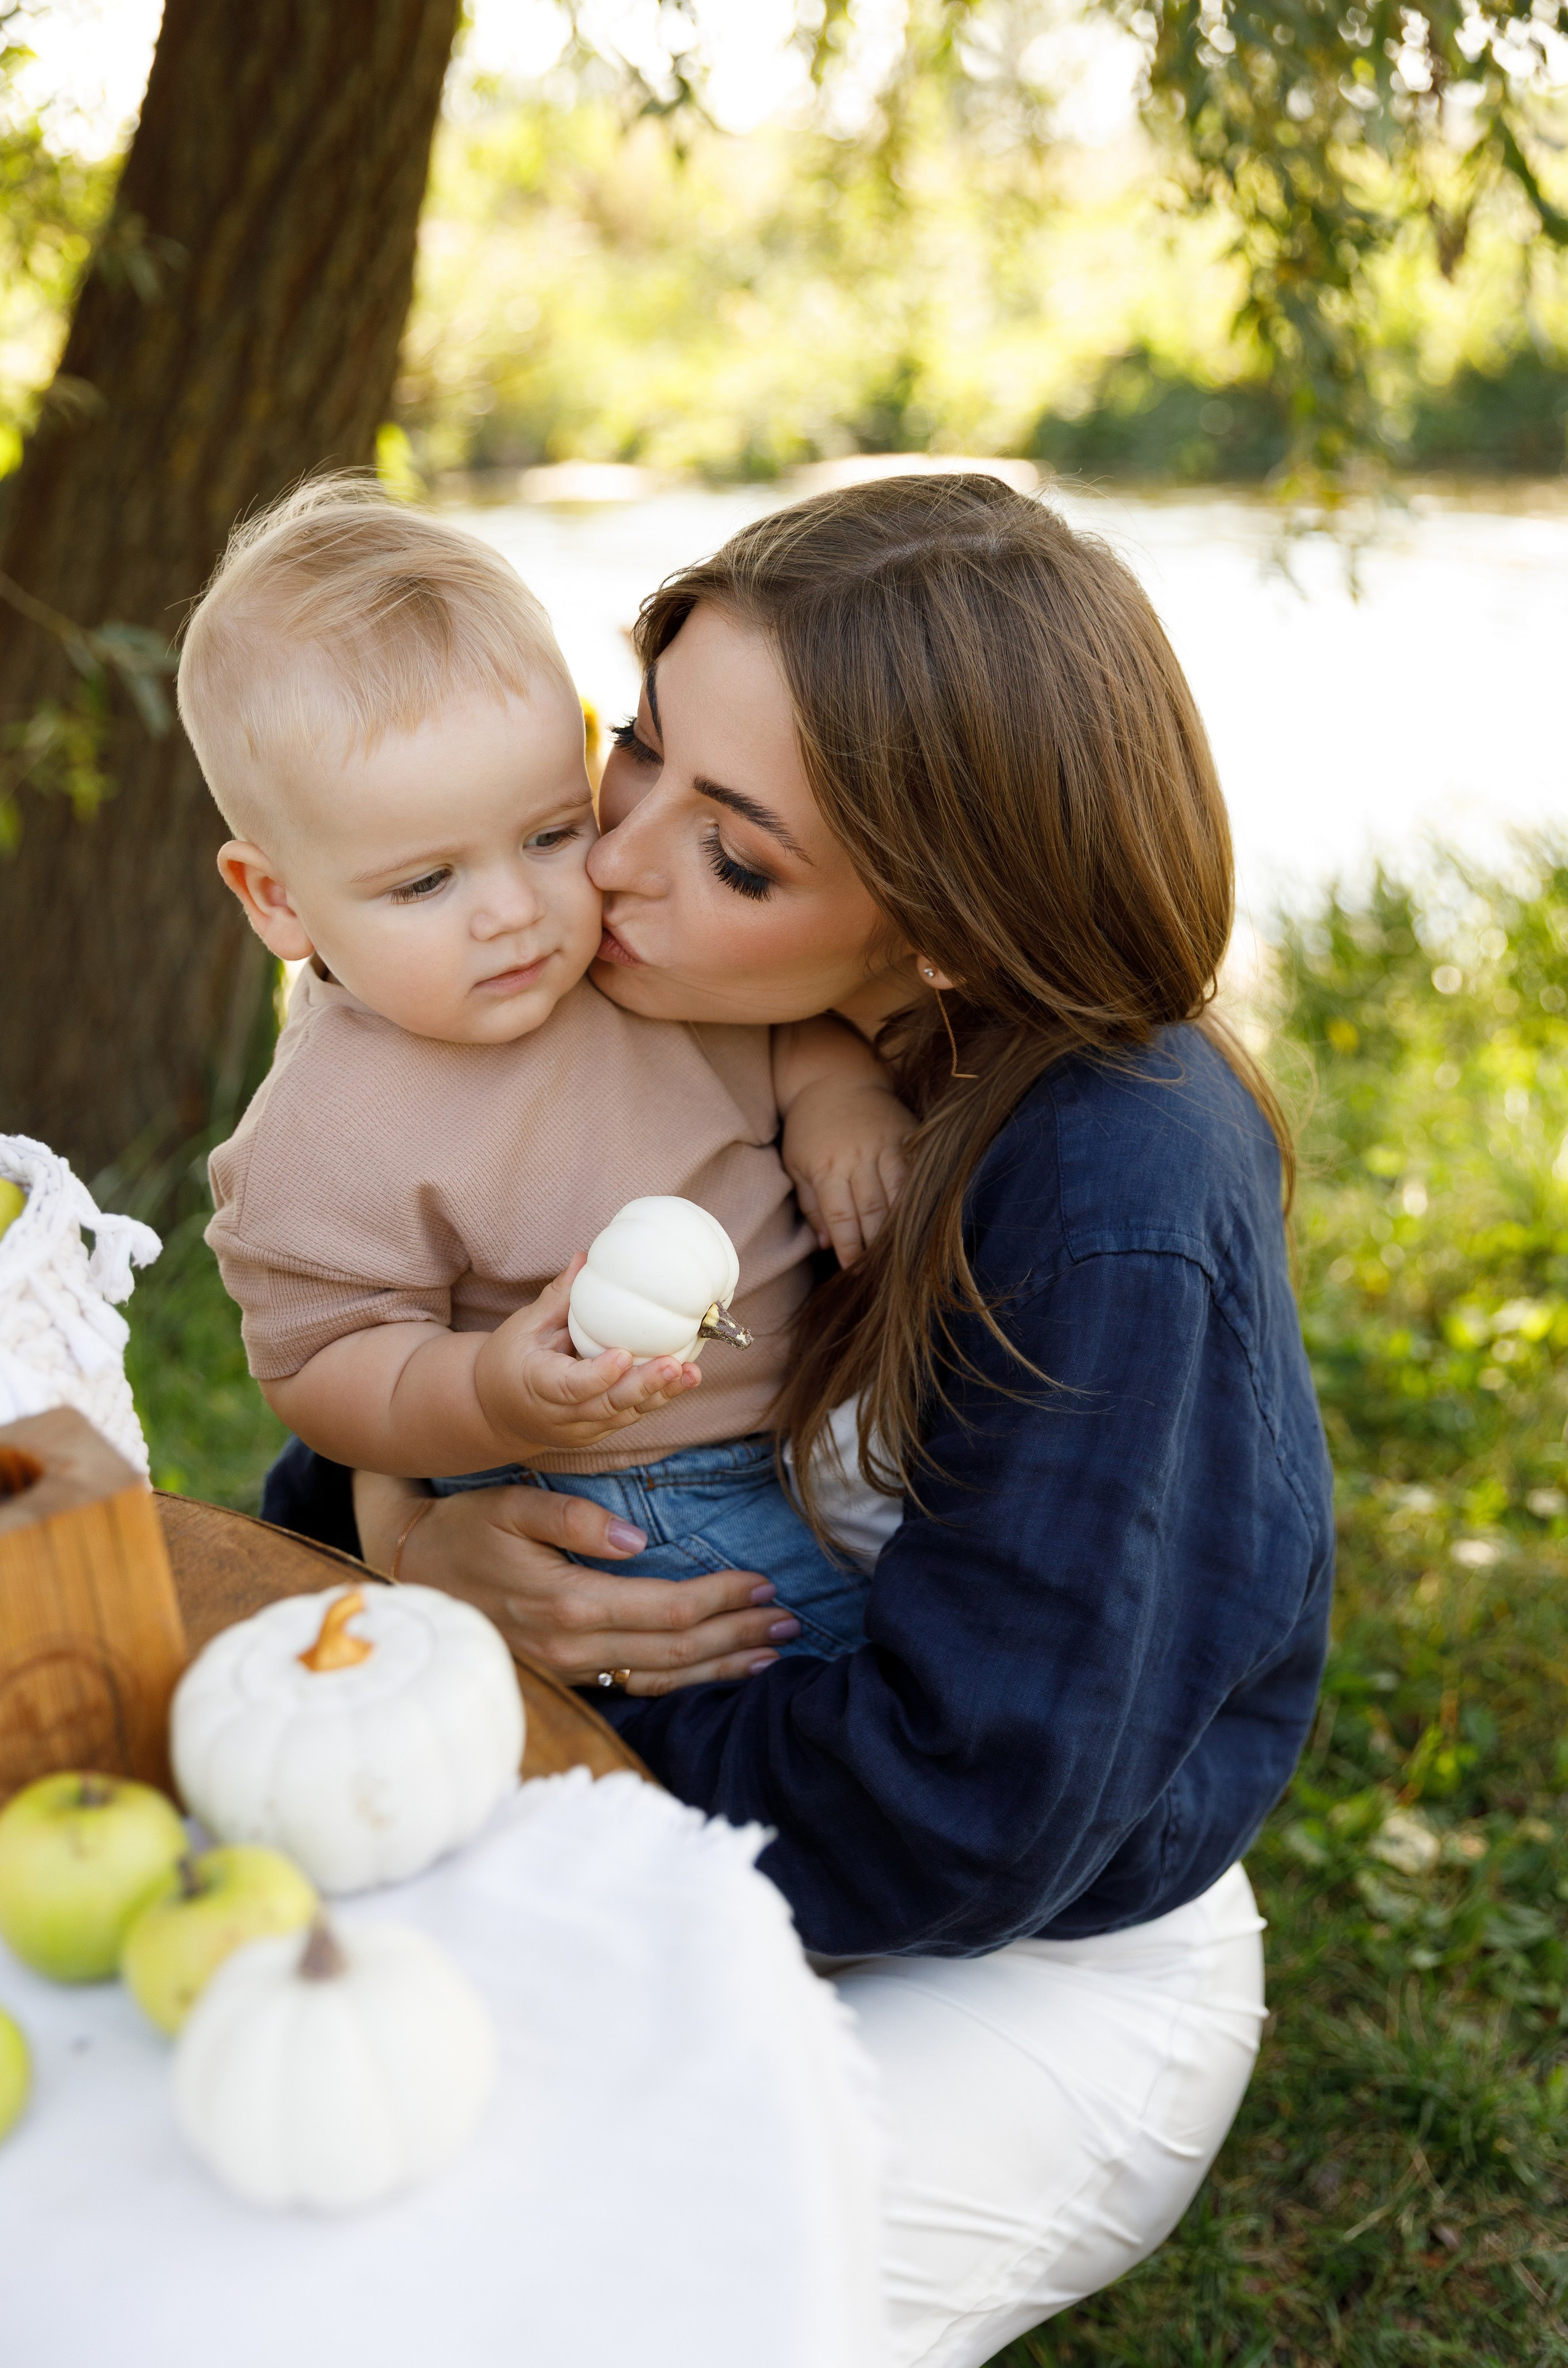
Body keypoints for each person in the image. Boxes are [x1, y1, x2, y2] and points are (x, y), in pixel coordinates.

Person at [264, 473, 1335, 2368]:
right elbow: (398, 1359)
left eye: (736, 854)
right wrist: (413, 1537)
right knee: (277, 2135)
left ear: (941, 929)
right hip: (674, 1830)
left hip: (1012, 1960)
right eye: (639, 759)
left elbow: (974, 1802)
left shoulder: (1114, 1189)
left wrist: (535, 1754)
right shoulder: (628, 1001)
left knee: (572, 2302)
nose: (601, 872)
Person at [178, 482, 916, 1663]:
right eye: (427, 884)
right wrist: (486, 1393)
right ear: (277, 899)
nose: (516, 914)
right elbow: (322, 1369)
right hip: (621, 1483)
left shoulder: (616, 955)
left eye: (548, 833)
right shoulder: (323, 1131)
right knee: (836, 1659)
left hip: (813, 1415)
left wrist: (838, 1097)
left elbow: (773, 1030)